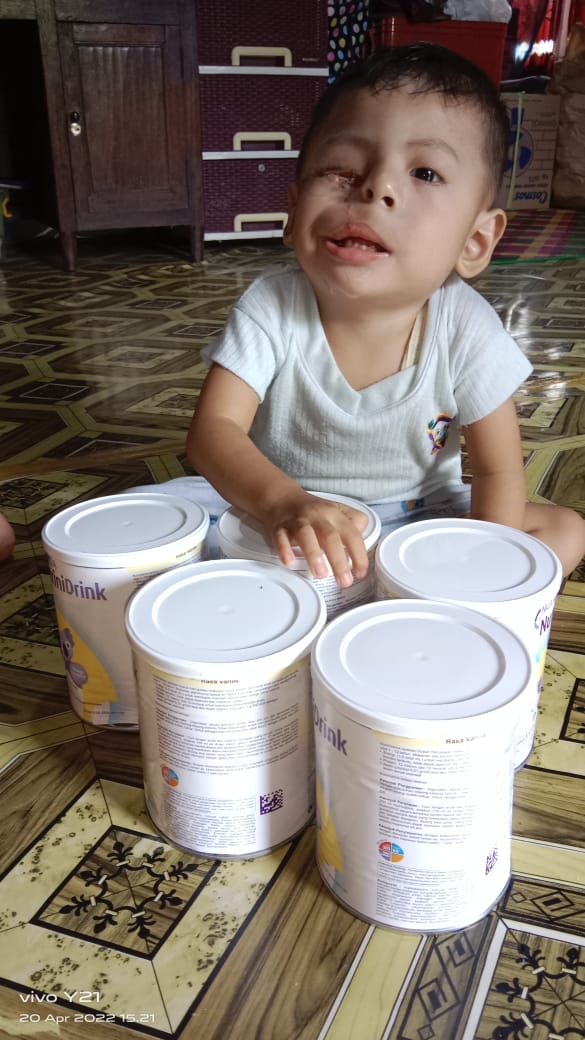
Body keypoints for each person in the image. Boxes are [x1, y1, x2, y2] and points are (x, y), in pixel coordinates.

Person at [185, 43, 585, 585]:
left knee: (565, 529)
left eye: (425, 172)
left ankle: (414, 599)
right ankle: (366, 593)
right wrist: (283, 501)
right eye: (342, 168)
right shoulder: (270, 306)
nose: (376, 187)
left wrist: (485, 569)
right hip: (287, 513)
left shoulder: (465, 326)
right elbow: (214, 431)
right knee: (166, 525)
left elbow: (497, 471)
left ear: (474, 241)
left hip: (420, 515)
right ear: (293, 211)